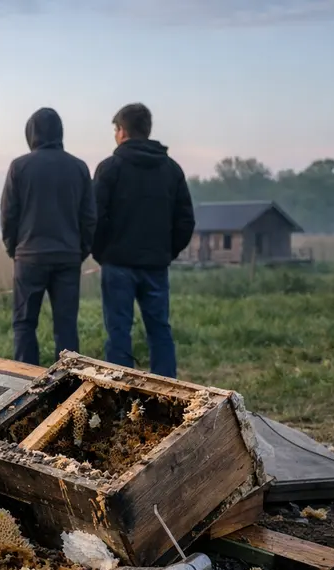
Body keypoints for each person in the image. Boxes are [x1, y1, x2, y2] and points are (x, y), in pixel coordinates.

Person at [92, 103, 195, 378]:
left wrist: (103, 253)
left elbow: (95, 219)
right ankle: (169, 394)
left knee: (118, 333)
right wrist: (166, 252)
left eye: (115, 129)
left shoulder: (109, 168)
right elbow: (185, 221)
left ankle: (119, 394)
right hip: (156, 266)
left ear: (123, 131)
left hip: (117, 265)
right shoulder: (172, 170)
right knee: (160, 329)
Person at [0, 107, 96, 366]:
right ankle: (67, 387)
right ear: (60, 132)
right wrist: (80, 251)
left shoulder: (19, 167)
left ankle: (25, 385)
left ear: (30, 133)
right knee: (66, 327)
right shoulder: (78, 167)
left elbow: (8, 215)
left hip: (28, 258)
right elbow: (89, 218)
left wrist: (15, 250)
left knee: (23, 324)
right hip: (67, 258)